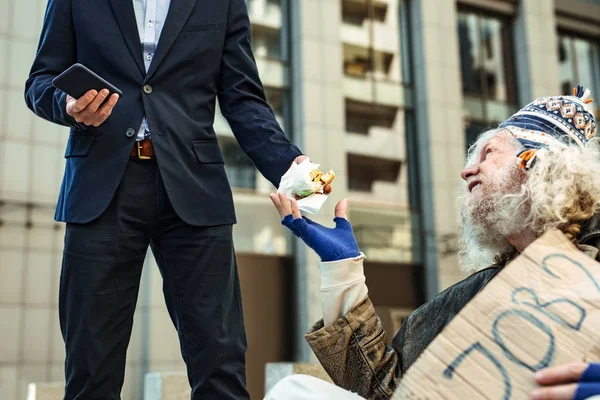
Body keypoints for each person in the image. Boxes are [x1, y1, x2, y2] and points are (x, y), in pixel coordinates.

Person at [24, 1, 329, 398]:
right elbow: (40, 81)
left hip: (195, 186)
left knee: (221, 362)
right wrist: (67, 106)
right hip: (101, 189)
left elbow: (243, 98)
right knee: (89, 369)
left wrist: (295, 169)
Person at [267, 86, 600, 400]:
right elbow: (385, 389)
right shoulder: (475, 293)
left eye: (488, 152)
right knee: (294, 391)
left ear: (536, 162)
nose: (468, 172)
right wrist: (342, 270)